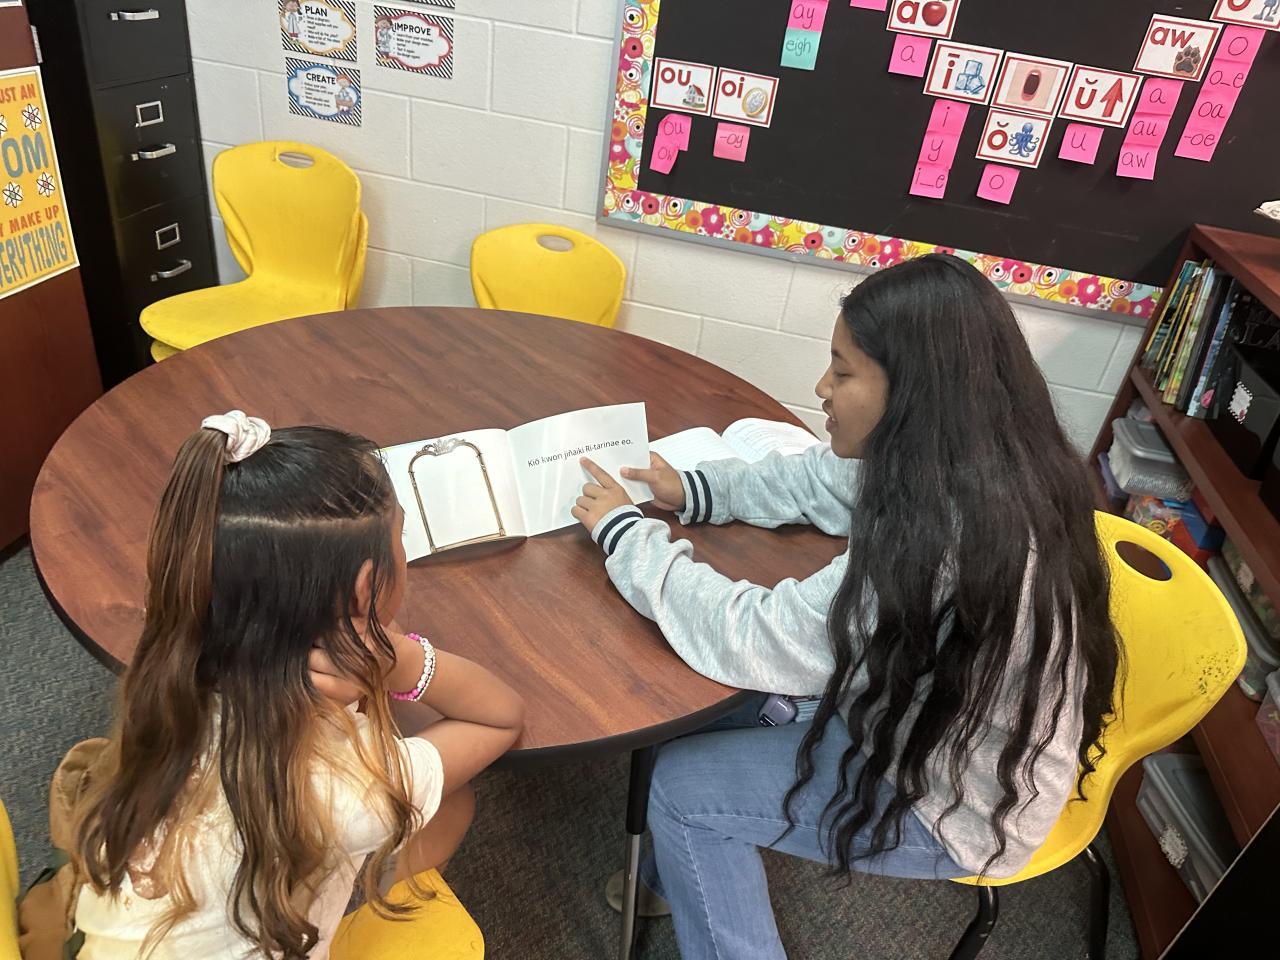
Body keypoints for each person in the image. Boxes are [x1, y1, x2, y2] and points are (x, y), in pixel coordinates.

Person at [573, 254, 1119, 959]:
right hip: (923, 714)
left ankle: (694, 870)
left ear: (915, 393)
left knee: (681, 789)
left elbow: (753, 634)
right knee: (701, 705)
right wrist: (697, 490)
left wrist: (626, 535)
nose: (822, 388)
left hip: (951, 799)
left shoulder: (940, 541)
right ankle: (674, 877)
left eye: (843, 371)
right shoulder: (977, 459)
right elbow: (819, 479)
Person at [72, 413, 524, 959]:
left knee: (444, 804)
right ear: (364, 590)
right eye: (401, 537)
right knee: (455, 804)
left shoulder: (174, 679)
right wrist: (401, 661)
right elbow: (499, 716)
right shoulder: (347, 788)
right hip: (319, 829)